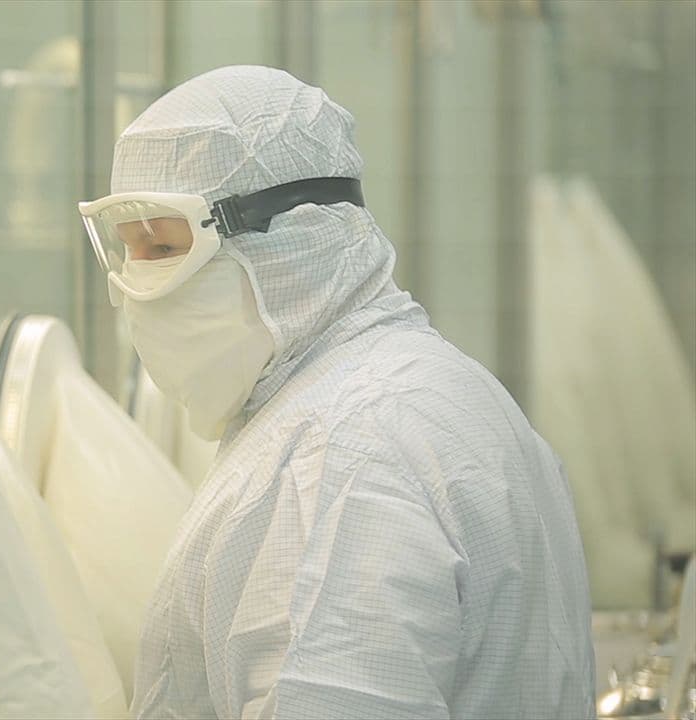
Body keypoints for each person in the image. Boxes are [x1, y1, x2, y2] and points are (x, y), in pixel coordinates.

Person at [78, 65, 595, 719]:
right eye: (126, 251)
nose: (134, 288)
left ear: (294, 235)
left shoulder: (340, 455)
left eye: (161, 246)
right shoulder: (439, 388)